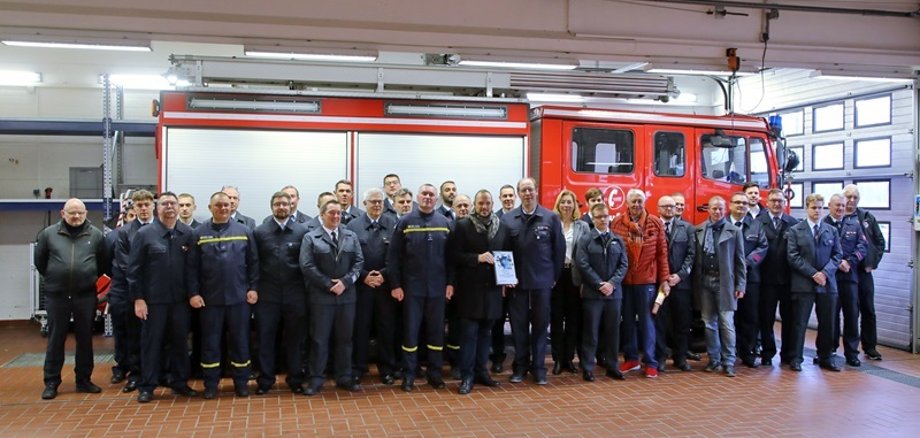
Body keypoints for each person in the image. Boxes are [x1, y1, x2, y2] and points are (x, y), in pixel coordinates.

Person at [127, 191, 199, 402]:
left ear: (178, 208)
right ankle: (147, 386)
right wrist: (138, 299)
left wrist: (193, 294)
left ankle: (180, 382)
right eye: (164, 203)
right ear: (157, 208)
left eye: (173, 203)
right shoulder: (145, 234)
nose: (169, 207)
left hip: (180, 302)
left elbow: (193, 269)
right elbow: (134, 270)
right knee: (151, 343)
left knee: (180, 343)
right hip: (153, 302)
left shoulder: (188, 233)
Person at [188, 191, 260, 399]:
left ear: (232, 206)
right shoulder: (198, 233)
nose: (223, 208)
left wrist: (253, 288)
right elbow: (191, 268)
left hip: (239, 299)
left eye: (227, 205)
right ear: (210, 208)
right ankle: (211, 384)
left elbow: (254, 264)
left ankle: (241, 383)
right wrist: (193, 293)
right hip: (210, 301)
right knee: (210, 343)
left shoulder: (245, 231)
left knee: (241, 342)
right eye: (218, 205)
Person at [35, 198, 108, 400]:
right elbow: (40, 262)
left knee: (85, 339)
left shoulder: (96, 235)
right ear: (62, 213)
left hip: (85, 295)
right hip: (57, 295)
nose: (76, 216)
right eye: (72, 212)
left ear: (86, 213)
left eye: (80, 212)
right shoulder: (49, 234)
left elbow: (102, 264)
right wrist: (57, 276)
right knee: (56, 338)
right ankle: (51, 382)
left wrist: (86, 277)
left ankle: (84, 380)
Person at [388, 184, 453, 392]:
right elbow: (393, 257)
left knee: (436, 333)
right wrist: (396, 285)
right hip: (411, 289)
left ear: (437, 199)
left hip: (438, 288)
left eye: (431, 194)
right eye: (424, 194)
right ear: (418, 197)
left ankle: (435, 374)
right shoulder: (405, 222)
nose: (427, 197)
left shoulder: (445, 223)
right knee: (410, 333)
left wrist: (451, 283)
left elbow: (451, 259)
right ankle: (409, 375)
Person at [502, 177, 565, 385]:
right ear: (519, 194)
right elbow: (503, 252)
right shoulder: (508, 219)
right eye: (523, 190)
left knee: (540, 327)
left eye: (530, 189)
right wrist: (506, 278)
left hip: (542, 283)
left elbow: (559, 251)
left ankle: (539, 369)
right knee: (519, 328)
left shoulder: (550, 218)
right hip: (517, 285)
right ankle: (520, 367)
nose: (527, 194)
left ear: (536, 191)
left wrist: (553, 278)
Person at [449, 189, 510, 394]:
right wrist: (477, 258)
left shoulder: (502, 227)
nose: (484, 207)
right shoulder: (463, 226)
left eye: (487, 203)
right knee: (468, 335)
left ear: (492, 204)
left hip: (493, 291)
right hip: (469, 291)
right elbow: (453, 256)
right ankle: (467, 376)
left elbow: (507, 256)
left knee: (486, 334)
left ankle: (482, 371)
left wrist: (507, 280)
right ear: (475, 204)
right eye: (480, 203)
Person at [300, 200, 364, 395]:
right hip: (321, 297)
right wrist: (329, 284)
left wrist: (345, 282)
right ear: (322, 215)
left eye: (339, 213)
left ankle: (344, 376)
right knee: (319, 339)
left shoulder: (351, 236)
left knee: (345, 338)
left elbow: (359, 262)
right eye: (332, 213)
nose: (336, 217)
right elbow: (307, 266)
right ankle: (316, 378)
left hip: (346, 296)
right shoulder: (311, 237)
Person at [252, 191, 309, 395]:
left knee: (295, 339)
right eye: (277, 204)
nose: (282, 207)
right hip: (268, 295)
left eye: (285, 204)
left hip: (295, 294)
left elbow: (307, 264)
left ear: (291, 205)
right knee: (265, 339)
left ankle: (295, 379)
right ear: (272, 207)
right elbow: (254, 263)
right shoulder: (260, 232)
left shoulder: (302, 231)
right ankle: (265, 380)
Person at [611, 189, 670, 378]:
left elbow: (662, 254)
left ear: (644, 203)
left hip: (647, 281)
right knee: (627, 322)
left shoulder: (655, 223)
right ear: (626, 203)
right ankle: (631, 359)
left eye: (640, 201)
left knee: (647, 323)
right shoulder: (617, 223)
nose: (636, 205)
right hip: (625, 281)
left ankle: (651, 362)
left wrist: (665, 280)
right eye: (633, 201)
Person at [347, 187, 400, 385]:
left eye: (380, 201)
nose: (377, 205)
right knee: (360, 329)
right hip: (362, 287)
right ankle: (358, 368)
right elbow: (349, 257)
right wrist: (364, 276)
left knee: (387, 329)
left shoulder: (393, 223)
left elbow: (396, 256)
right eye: (373, 202)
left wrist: (383, 275)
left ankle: (387, 368)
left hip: (385, 287)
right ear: (364, 204)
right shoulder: (353, 226)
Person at [786, 193, 842, 372]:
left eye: (820, 207)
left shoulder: (831, 230)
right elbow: (793, 256)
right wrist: (813, 273)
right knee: (799, 322)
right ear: (806, 208)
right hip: (804, 284)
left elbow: (837, 255)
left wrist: (825, 273)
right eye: (813, 207)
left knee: (828, 322)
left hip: (827, 284)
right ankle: (796, 358)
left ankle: (826, 357)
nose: (817, 211)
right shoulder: (796, 230)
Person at [575, 203, 628, 382]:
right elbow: (582, 264)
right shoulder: (586, 240)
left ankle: (612, 366)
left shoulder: (617, 239)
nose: (603, 220)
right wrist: (599, 284)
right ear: (593, 218)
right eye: (599, 217)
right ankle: (588, 367)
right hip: (593, 295)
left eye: (606, 216)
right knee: (591, 332)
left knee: (613, 332)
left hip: (614, 295)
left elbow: (623, 264)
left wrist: (612, 284)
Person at [109, 189, 155, 393]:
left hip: (159, 293)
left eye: (147, 204)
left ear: (153, 205)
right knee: (134, 335)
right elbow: (127, 264)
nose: (144, 208)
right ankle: (135, 375)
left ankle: (158, 372)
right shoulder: (124, 232)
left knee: (156, 335)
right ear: (134, 208)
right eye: (140, 205)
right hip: (134, 292)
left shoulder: (162, 228)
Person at [695, 196, 746, 377]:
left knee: (727, 323)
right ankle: (713, 359)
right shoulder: (699, 230)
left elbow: (740, 261)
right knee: (709, 323)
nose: (717, 212)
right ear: (708, 210)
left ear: (725, 210)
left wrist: (741, 284)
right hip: (705, 283)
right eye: (714, 209)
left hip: (725, 284)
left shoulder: (734, 231)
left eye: (720, 209)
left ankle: (729, 361)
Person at [756, 188, 799, 367]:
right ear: (767, 203)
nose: (776, 204)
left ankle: (788, 353)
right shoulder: (758, 222)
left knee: (789, 318)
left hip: (788, 280)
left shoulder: (794, 223)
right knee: (766, 319)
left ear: (785, 203)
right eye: (773, 200)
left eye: (780, 201)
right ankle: (767, 353)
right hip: (766, 280)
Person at [842, 184, 885, 361]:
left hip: (863, 272)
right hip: (843, 273)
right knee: (846, 311)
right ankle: (833, 348)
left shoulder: (867, 218)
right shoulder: (836, 216)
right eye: (848, 197)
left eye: (855, 197)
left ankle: (870, 347)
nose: (851, 200)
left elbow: (879, 242)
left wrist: (872, 263)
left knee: (868, 310)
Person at [824, 193, 867, 367]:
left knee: (851, 316)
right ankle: (829, 350)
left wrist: (850, 262)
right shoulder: (823, 224)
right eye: (837, 205)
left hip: (849, 277)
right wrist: (836, 263)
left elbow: (863, 246)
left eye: (843, 206)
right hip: (830, 277)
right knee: (830, 316)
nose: (841, 208)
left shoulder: (854, 225)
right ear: (829, 206)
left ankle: (852, 353)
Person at [655, 195, 696, 372]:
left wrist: (679, 275)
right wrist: (662, 278)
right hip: (659, 284)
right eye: (665, 206)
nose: (669, 209)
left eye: (672, 206)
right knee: (660, 322)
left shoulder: (687, 228)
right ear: (658, 209)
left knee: (682, 322)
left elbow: (691, 255)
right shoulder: (653, 227)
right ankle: (661, 357)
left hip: (681, 284)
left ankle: (681, 357)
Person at [550, 189, 588, 375]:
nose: (566, 205)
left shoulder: (583, 226)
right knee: (556, 320)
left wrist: (584, 282)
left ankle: (569, 359)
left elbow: (586, 255)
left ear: (575, 205)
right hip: (556, 277)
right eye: (563, 202)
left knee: (574, 320)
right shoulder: (551, 224)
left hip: (575, 277)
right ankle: (557, 359)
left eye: (570, 202)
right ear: (558, 204)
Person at [728, 193, 768, 369]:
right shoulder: (722, 225)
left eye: (744, 203)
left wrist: (746, 262)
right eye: (737, 202)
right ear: (730, 205)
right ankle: (729, 351)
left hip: (751, 278)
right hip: (727, 278)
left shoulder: (756, 226)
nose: (741, 206)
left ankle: (747, 352)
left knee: (750, 317)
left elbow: (763, 247)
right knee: (728, 317)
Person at [490, 184, 516, 372]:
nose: (508, 198)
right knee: (497, 321)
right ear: (500, 198)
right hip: (500, 280)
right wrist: (502, 279)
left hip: (520, 280)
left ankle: (520, 358)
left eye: (510, 195)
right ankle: (498, 357)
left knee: (518, 320)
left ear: (515, 197)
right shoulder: (494, 220)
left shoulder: (520, 217)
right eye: (504, 196)